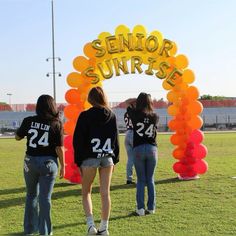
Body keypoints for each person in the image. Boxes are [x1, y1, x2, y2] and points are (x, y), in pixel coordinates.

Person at [15, 95, 65, 236]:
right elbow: (59, 148)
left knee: (31, 195)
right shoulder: (56, 123)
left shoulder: (28, 120)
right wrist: (63, 166)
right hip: (48, 163)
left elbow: (17, 137)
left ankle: (29, 230)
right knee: (45, 198)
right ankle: (45, 232)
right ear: (52, 106)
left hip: (29, 162)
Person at [73, 86, 119, 236]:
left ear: (90, 99)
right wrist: (115, 160)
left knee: (86, 192)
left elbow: (78, 141)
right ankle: (104, 227)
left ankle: (90, 226)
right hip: (107, 157)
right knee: (105, 193)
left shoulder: (85, 116)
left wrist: (78, 161)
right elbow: (115, 140)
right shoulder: (111, 115)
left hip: (89, 158)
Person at [127, 92, 159, 216]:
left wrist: (137, 100)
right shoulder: (155, 115)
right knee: (150, 180)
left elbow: (127, 102)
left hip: (139, 148)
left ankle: (140, 209)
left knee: (141, 180)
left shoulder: (134, 113)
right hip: (152, 148)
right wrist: (146, 100)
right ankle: (151, 208)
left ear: (138, 102)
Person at [124, 99, 136, 184]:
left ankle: (129, 179)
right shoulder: (135, 112)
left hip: (127, 133)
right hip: (134, 134)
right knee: (139, 158)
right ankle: (141, 178)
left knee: (130, 159)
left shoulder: (126, 113)